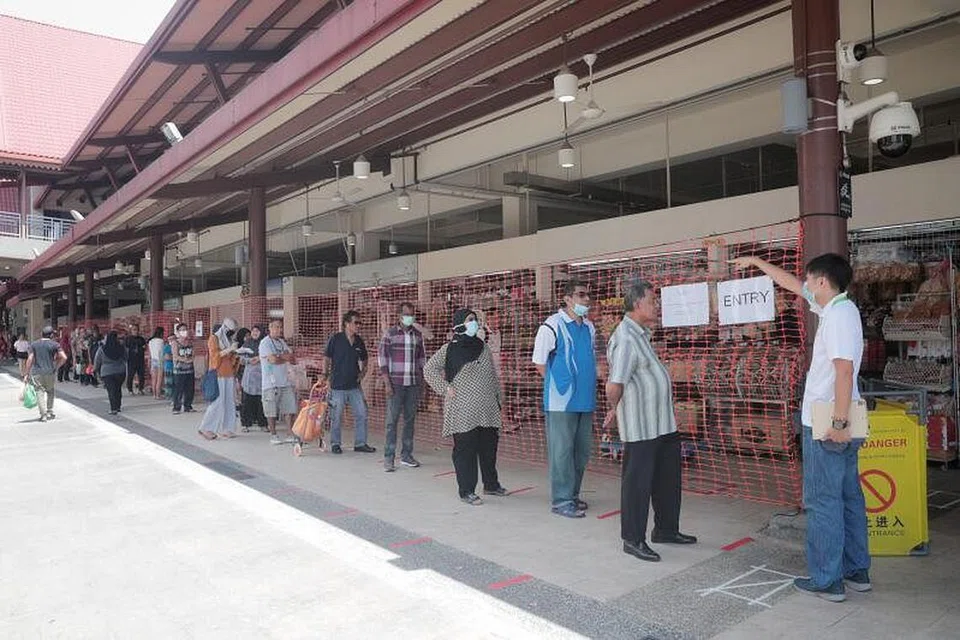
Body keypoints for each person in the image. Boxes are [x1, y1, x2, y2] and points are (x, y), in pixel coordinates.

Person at [731, 253, 868, 603]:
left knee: (823, 501)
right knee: (849, 496)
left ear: (822, 282)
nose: (804, 285)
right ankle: (856, 571)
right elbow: (791, 284)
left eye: (809, 280)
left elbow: (843, 371)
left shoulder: (836, 317)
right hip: (848, 413)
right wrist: (758, 263)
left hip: (828, 418)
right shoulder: (839, 308)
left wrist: (837, 422)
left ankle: (827, 580)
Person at [603, 279, 697, 563]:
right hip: (641, 426)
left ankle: (666, 529)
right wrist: (613, 410)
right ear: (637, 304)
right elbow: (614, 383)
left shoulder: (642, 334)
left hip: (662, 424)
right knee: (638, 484)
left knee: (668, 479)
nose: (657, 305)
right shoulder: (625, 338)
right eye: (652, 301)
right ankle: (632, 538)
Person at [423, 309, 508, 502]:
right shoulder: (449, 349)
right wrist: (445, 388)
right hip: (463, 411)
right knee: (465, 451)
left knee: (489, 449)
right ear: (459, 324)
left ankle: (491, 485)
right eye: (470, 320)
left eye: (476, 320)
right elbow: (429, 370)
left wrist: (499, 400)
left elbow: (492, 376)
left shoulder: (483, 347)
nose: (475, 323)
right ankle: (467, 490)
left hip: (487, 409)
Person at [531, 279, 597, 518]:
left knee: (581, 452)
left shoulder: (589, 327)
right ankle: (561, 500)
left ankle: (573, 494)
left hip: (585, 400)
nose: (586, 299)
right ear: (567, 298)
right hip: (561, 402)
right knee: (561, 452)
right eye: (581, 295)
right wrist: (559, 387)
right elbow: (539, 363)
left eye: (588, 295)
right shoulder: (551, 326)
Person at [378, 301, 427, 471]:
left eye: (412, 314)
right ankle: (389, 457)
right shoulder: (389, 334)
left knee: (409, 421)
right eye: (406, 314)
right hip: (395, 384)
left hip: (412, 384)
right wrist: (387, 383)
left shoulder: (417, 336)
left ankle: (406, 455)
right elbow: (382, 360)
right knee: (392, 422)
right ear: (399, 316)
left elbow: (422, 360)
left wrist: (423, 381)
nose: (409, 317)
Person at [323, 310, 376, 455]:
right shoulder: (336, 339)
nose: (358, 325)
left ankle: (360, 443)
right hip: (337, 386)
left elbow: (365, 359)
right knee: (336, 416)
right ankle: (335, 443)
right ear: (347, 324)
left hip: (354, 386)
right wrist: (325, 374)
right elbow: (326, 357)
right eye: (356, 322)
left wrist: (363, 372)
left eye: (360, 323)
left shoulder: (359, 341)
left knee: (362, 413)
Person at [258, 321, 300, 445]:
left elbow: (292, 358)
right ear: (270, 328)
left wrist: (280, 357)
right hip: (270, 383)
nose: (279, 329)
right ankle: (273, 435)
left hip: (285, 381)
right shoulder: (265, 343)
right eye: (276, 327)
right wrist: (283, 357)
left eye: (280, 327)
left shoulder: (282, 342)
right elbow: (272, 360)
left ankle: (289, 433)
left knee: (290, 408)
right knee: (271, 410)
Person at [198, 318, 240, 440]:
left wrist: (236, 353)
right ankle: (206, 428)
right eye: (230, 330)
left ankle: (228, 428)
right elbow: (215, 356)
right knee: (217, 402)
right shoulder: (214, 338)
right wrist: (229, 349)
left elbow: (230, 358)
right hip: (217, 373)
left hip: (229, 374)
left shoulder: (228, 340)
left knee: (230, 402)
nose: (232, 333)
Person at [23, 326, 68, 422]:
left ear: (41, 334)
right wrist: (57, 367)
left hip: (37, 373)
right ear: (51, 335)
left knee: (39, 392)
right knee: (50, 391)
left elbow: (30, 359)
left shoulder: (34, 344)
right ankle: (49, 411)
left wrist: (26, 374)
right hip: (50, 372)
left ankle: (43, 415)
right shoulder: (55, 344)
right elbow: (64, 357)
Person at [240, 324, 268, 431]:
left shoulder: (265, 343)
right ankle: (246, 424)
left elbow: (270, 356)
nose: (255, 333)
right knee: (247, 401)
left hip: (262, 377)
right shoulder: (247, 343)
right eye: (253, 331)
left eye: (257, 331)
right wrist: (249, 360)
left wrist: (259, 358)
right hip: (249, 377)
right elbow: (240, 358)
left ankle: (263, 424)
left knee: (261, 402)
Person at [94, 331, 128, 415]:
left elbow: (97, 360)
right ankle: (118, 406)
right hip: (120, 371)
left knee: (111, 390)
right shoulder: (121, 348)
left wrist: (96, 370)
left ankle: (113, 408)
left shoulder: (102, 349)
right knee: (117, 389)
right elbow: (126, 358)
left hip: (107, 372)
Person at [170, 323, 196, 414]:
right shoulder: (175, 342)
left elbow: (193, 354)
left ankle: (188, 406)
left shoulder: (190, 342)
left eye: (185, 329)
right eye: (182, 330)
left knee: (190, 389)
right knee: (178, 389)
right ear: (178, 332)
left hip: (189, 369)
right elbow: (175, 356)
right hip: (179, 370)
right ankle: (176, 407)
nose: (184, 332)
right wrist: (184, 360)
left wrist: (191, 359)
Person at [124, 324, 147, 395]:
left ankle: (141, 389)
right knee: (131, 375)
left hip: (140, 359)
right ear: (131, 331)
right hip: (131, 360)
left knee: (141, 375)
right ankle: (130, 389)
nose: (135, 331)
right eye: (134, 330)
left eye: (137, 330)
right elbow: (126, 348)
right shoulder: (128, 339)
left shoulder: (141, 339)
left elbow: (144, 347)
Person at [148, 327, 166, 399]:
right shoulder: (161, 341)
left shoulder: (150, 341)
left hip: (153, 360)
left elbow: (150, 352)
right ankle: (158, 395)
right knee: (159, 379)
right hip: (159, 360)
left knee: (154, 379)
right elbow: (161, 352)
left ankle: (154, 395)